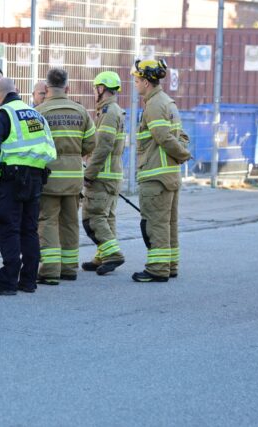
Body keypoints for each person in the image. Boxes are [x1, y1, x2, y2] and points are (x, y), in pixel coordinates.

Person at [0, 78, 56, 295]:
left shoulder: (3, 114)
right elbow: (49, 146)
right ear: (17, 91)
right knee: (29, 229)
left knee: (7, 227)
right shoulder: (35, 114)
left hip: (12, 178)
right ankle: (29, 280)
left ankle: (8, 281)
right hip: (35, 177)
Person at [131, 59, 191, 282]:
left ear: (146, 82)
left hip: (155, 175)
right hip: (169, 175)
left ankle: (157, 268)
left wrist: (182, 155)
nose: (135, 84)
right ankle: (170, 264)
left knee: (155, 223)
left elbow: (164, 137)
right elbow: (180, 135)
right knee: (169, 223)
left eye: (137, 80)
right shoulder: (168, 102)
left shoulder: (154, 105)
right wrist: (182, 152)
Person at [35, 68, 96, 285]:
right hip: (73, 178)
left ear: (46, 87)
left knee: (48, 221)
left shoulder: (39, 112)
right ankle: (69, 268)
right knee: (70, 222)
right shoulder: (80, 111)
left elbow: (34, 143)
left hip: (49, 176)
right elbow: (91, 143)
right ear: (67, 87)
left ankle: (50, 270)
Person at [81, 71, 126, 276]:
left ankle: (113, 253)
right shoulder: (112, 110)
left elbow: (103, 146)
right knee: (107, 217)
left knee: (93, 216)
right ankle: (103, 256)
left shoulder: (108, 112)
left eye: (95, 88)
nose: (94, 92)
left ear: (101, 88)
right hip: (112, 174)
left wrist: (90, 173)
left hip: (103, 174)